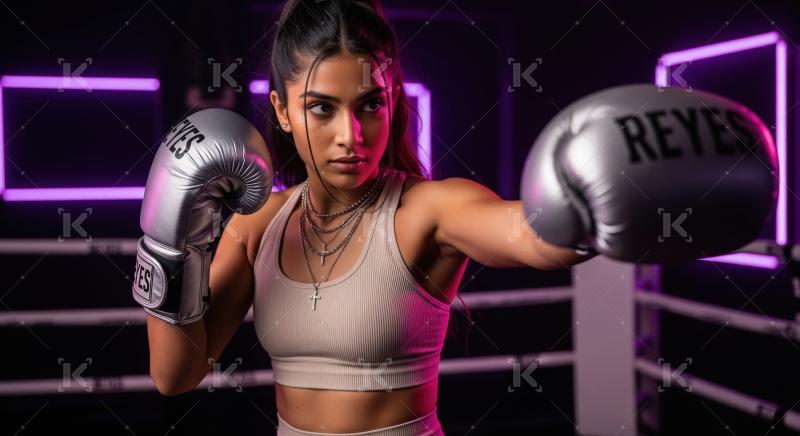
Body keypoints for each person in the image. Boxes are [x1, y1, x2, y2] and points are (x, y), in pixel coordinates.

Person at [136, 1, 776, 435]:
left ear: (392, 101)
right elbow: (175, 374)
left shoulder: (424, 210)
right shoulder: (258, 226)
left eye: (370, 105)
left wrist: (589, 204)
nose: (350, 135)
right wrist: (166, 240)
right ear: (279, 110)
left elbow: (525, 234)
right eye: (321, 108)